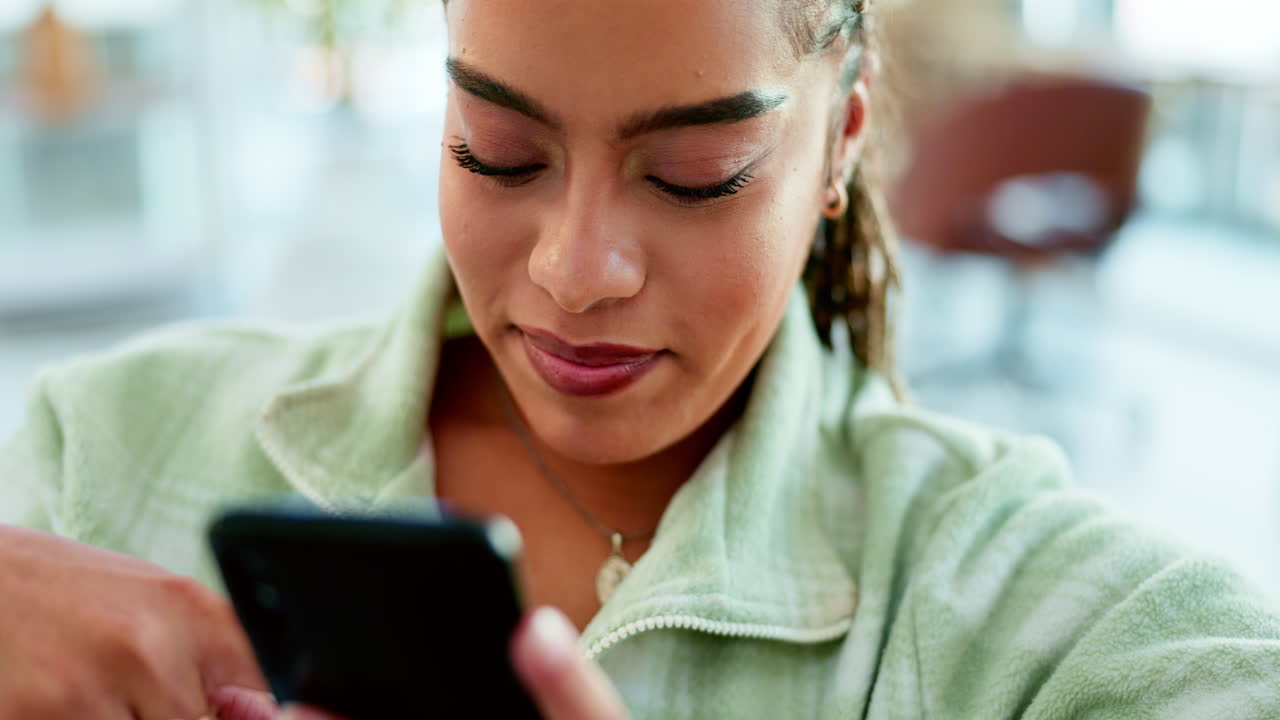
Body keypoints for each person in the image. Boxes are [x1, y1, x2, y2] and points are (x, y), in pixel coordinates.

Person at [2, 1, 1278, 718]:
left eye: (691, 178)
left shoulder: (1017, 609)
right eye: (496, 152)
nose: (575, 269)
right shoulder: (99, 446)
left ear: (836, 147)